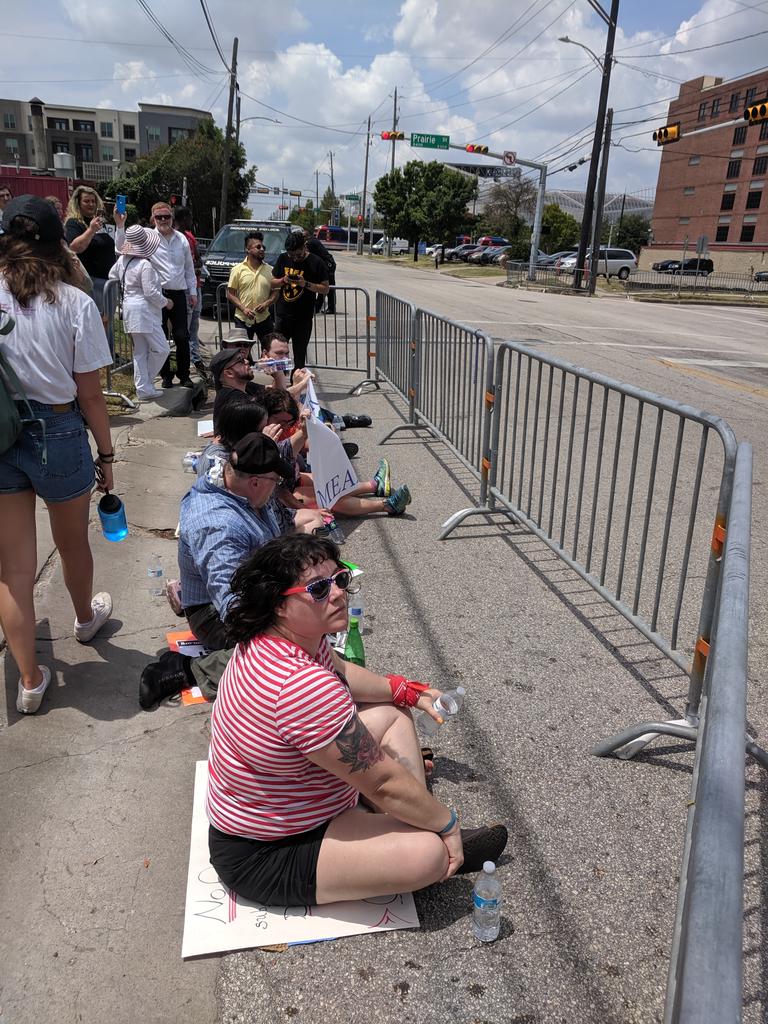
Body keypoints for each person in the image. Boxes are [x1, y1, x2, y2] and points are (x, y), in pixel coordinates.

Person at [205, 532, 508, 906]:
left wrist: (407, 691)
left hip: (281, 807)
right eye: (317, 589)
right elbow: (380, 780)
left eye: (340, 579)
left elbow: (341, 669)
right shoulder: (300, 687)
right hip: (268, 851)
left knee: (393, 714)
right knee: (428, 853)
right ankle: (423, 829)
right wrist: (447, 824)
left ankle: (407, 817)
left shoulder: (279, 637)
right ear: (279, 605)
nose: (336, 593)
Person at [0, 196, 115, 715]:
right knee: (72, 544)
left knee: (13, 571)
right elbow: (91, 394)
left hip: (1, 435)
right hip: (60, 429)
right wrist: (106, 454)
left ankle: (29, 680)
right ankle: (85, 619)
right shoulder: (73, 303)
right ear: (58, 244)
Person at [263, 389, 411, 517]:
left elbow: (303, 443)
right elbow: (279, 491)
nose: (285, 426)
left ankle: (374, 485)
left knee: (329, 480)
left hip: (291, 477)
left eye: (289, 422)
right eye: (281, 421)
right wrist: (306, 511)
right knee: (332, 498)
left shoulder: (284, 425)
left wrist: (321, 430)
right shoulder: (260, 440)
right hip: (279, 494)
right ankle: (387, 506)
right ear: (266, 415)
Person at [108, 224, 171, 401]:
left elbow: (112, 276)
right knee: (162, 349)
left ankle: (143, 387)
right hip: (144, 311)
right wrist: (166, 302)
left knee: (140, 351)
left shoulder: (122, 261)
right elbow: (150, 292)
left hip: (129, 308)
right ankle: (146, 383)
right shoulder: (145, 265)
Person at [271, 230, 329, 371]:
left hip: (303, 318)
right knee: (278, 353)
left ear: (304, 247)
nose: (294, 258)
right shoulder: (283, 258)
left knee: (299, 357)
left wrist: (306, 284)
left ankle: (296, 387)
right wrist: (283, 280)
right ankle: (280, 387)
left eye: (297, 255)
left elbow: (325, 288)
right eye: (291, 255)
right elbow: (272, 282)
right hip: (283, 315)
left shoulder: (316, 263)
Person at [64, 185, 122, 313]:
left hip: (107, 282)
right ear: (78, 204)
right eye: (86, 201)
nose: (91, 204)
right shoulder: (74, 223)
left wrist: (120, 223)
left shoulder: (99, 222)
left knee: (108, 322)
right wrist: (90, 230)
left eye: (93, 201)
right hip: (91, 282)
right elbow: (73, 247)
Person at [172, 207, 208, 382]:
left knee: (194, 326)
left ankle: (196, 359)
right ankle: (186, 363)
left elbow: (198, 259)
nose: (191, 220)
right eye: (189, 217)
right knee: (185, 329)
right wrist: (195, 268)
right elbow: (183, 266)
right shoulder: (177, 238)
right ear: (183, 218)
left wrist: (198, 265)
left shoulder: (189, 236)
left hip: (196, 285)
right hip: (186, 288)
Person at [227, 231, 276, 343]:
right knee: (242, 353)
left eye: (263, 246)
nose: (262, 249)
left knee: (270, 350)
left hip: (264, 319)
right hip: (242, 319)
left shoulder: (270, 270)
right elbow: (230, 293)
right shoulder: (237, 270)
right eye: (258, 247)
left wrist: (266, 304)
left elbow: (275, 293)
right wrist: (244, 309)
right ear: (247, 249)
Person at [304, 228, 336, 315]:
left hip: (328, 264)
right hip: (328, 264)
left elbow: (307, 255)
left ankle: (324, 308)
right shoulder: (313, 240)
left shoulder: (310, 242)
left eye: (303, 237)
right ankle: (326, 307)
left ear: (306, 236)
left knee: (326, 286)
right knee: (327, 286)